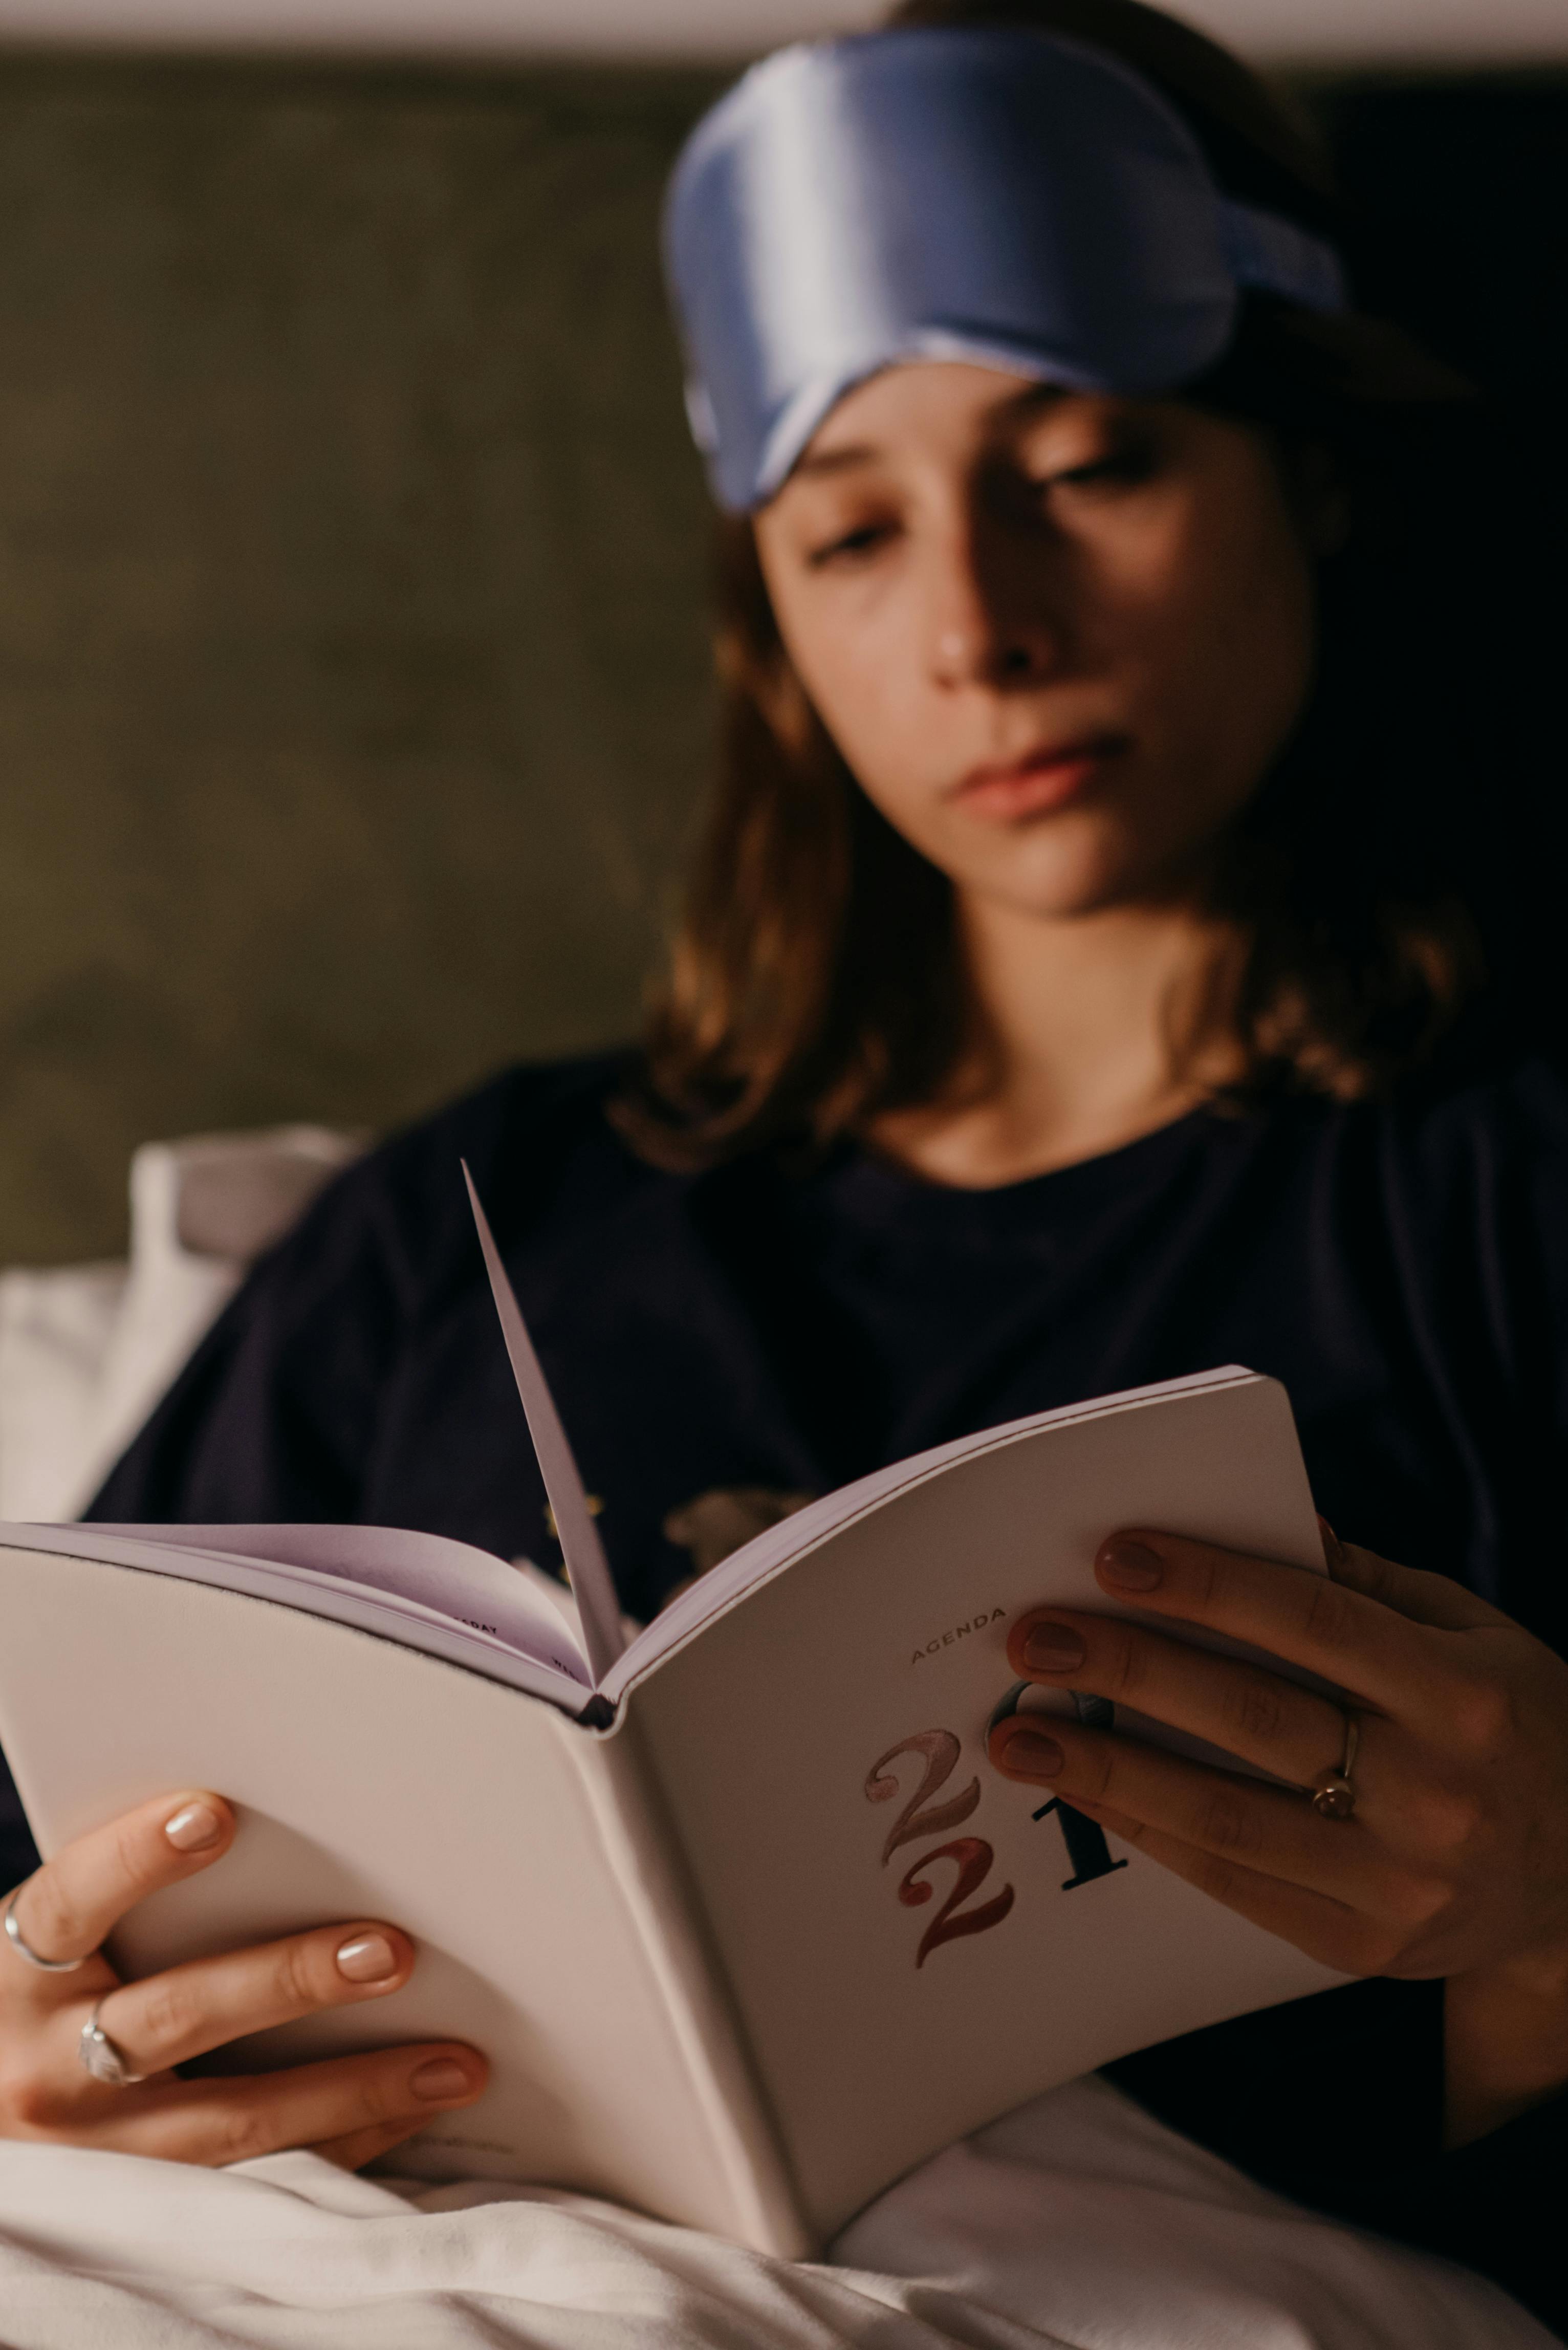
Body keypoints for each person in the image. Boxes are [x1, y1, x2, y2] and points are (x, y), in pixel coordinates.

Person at [3, 0, 1566, 2331]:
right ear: (776, 623)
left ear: (1305, 470)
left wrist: (1551, 1908)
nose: (978, 630)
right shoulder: (479, 1210)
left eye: (1090, 464)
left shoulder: (1499, 1190)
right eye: (851, 530)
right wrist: (40, 2019)